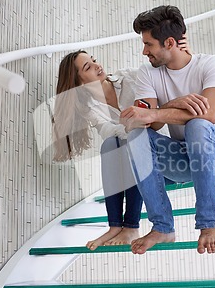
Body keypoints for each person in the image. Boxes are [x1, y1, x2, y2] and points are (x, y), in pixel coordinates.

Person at [120, 5, 215, 255]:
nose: (144, 51)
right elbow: (148, 123)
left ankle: (209, 225)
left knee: (198, 124)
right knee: (135, 136)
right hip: (185, 158)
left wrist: (155, 112)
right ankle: (163, 226)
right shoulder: (147, 73)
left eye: (148, 44)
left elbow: (210, 114)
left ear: (169, 42)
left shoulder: (211, 64)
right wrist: (171, 105)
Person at [53, 40, 190, 248]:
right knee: (111, 144)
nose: (98, 65)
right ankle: (116, 226)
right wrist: (134, 124)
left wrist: (182, 51)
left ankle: (130, 227)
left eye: (94, 60)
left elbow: (164, 75)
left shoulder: (130, 77)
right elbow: (109, 131)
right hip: (139, 165)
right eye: (88, 67)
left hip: (166, 159)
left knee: (133, 143)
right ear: (79, 82)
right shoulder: (91, 108)